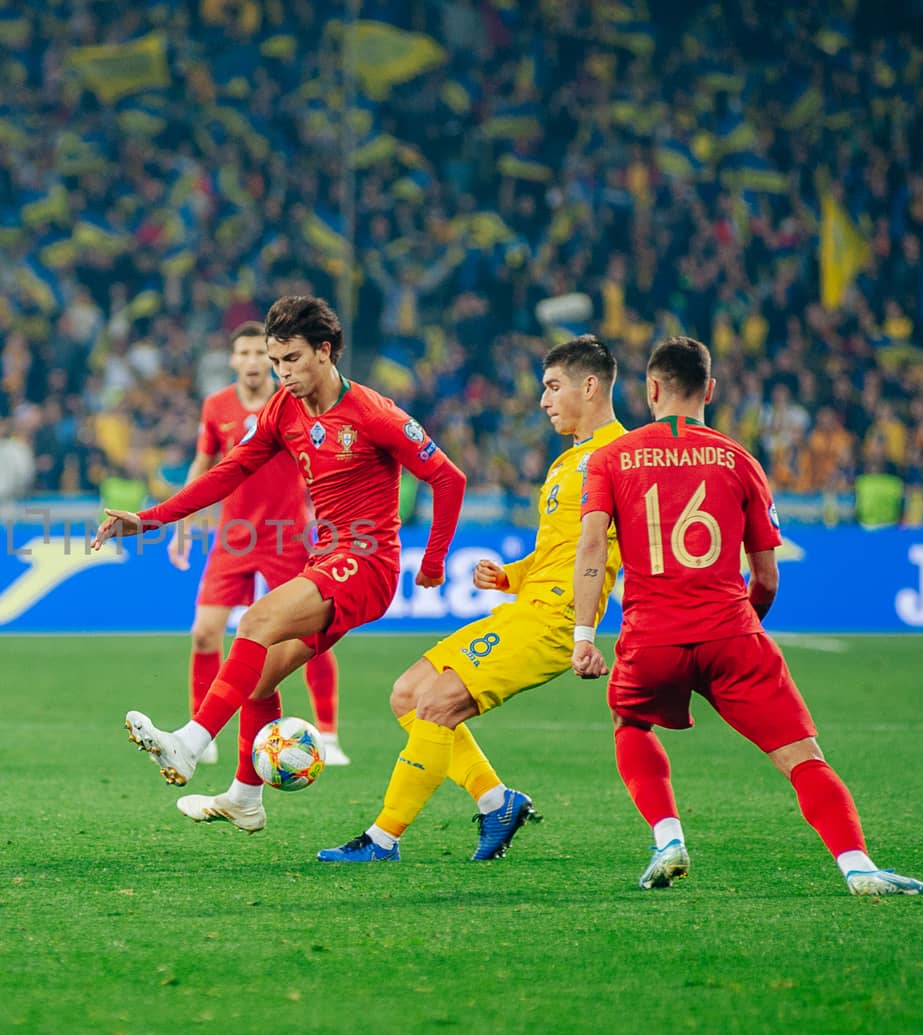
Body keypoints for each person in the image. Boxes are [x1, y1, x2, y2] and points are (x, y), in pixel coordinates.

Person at [572, 336, 923, 896]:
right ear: (710, 390)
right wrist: (743, 625)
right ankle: (858, 867)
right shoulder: (740, 459)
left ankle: (668, 838)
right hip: (732, 633)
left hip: (652, 640)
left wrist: (584, 635)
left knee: (630, 724)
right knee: (804, 760)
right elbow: (766, 578)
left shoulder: (611, 458)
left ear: (651, 389)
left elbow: (592, 549)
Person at [93, 296, 466, 833]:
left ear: (325, 351)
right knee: (259, 679)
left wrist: (432, 562)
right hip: (327, 556)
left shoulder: (374, 414)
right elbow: (229, 472)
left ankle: (190, 744)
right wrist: (150, 520)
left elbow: (449, 478)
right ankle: (246, 797)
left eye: (291, 359)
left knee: (254, 621)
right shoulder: (282, 411)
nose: (281, 373)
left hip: (368, 563)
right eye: (274, 361)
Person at [318, 335, 627, 863]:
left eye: (553, 387)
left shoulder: (621, 457)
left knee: (436, 705)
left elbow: (604, 552)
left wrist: (583, 634)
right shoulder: (566, 464)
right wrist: (508, 575)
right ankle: (496, 801)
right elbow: (560, 550)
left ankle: (382, 839)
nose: (544, 400)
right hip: (527, 607)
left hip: (556, 620)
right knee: (408, 694)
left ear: (590, 385)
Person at [168, 321, 345, 776]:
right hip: (233, 536)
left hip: (286, 536)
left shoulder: (293, 402)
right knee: (205, 632)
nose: (250, 362)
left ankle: (327, 732)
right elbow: (204, 465)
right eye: (242, 353)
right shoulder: (216, 406)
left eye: (257, 354)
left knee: (305, 636)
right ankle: (199, 732)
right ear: (232, 360)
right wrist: (183, 524)